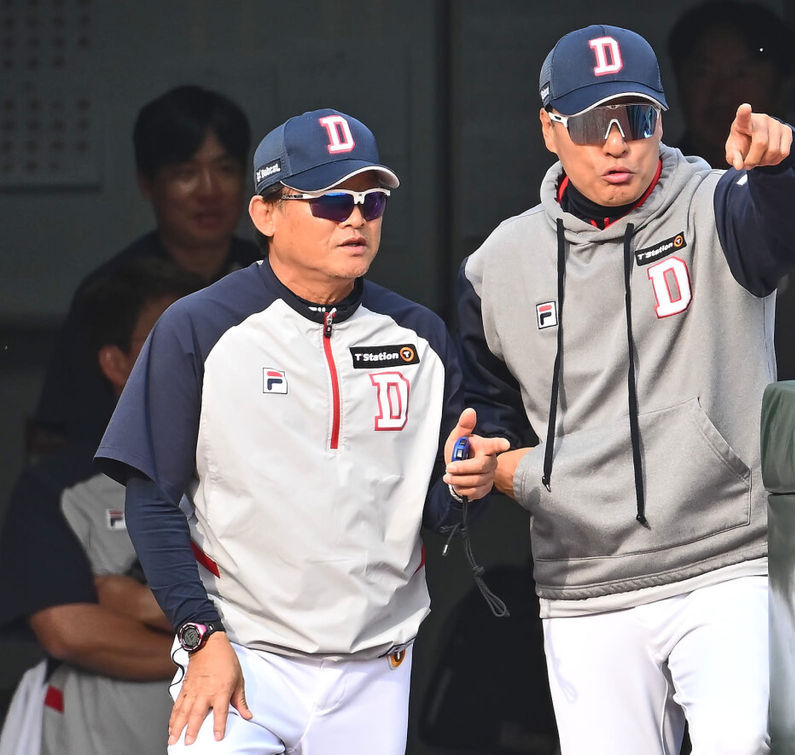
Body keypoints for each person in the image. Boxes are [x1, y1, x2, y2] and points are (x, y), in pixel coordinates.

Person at [455, 24, 795, 754]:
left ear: (661, 119)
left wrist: (787, 161)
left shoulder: (720, 205)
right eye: (594, 123)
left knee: (747, 742)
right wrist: (486, 461)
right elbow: (485, 414)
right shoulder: (497, 264)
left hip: (729, 558)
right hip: (584, 580)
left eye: (636, 119)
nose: (617, 143)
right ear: (549, 129)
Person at [94, 108, 509, 753]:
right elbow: (150, 495)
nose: (355, 218)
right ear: (264, 214)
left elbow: (435, 512)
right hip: (242, 658)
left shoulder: (420, 336)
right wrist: (199, 635)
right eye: (331, 200)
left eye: (371, 202)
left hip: (377, 664)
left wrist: (465, 487)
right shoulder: (197, 328)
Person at [0, 258, 203, 755]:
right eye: (169, 340)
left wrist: (138, 605)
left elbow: (287, 611)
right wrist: (215, 653)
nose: (196, 356)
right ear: (115, 364)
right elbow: (71, 632)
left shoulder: (256, 471)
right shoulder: (58, 485)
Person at [29, 84, 261, 456]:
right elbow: (61, 435)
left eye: (225, 169)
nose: (209, 190)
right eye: (186, 172)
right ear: (147, 185)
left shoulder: (275, 277)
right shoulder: (111, 290)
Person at [666, 0, 795, 170]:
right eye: (704, 73)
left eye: (741, 74)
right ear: (680, 84)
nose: (722, 96)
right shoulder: (658, 181)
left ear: (780, 88)